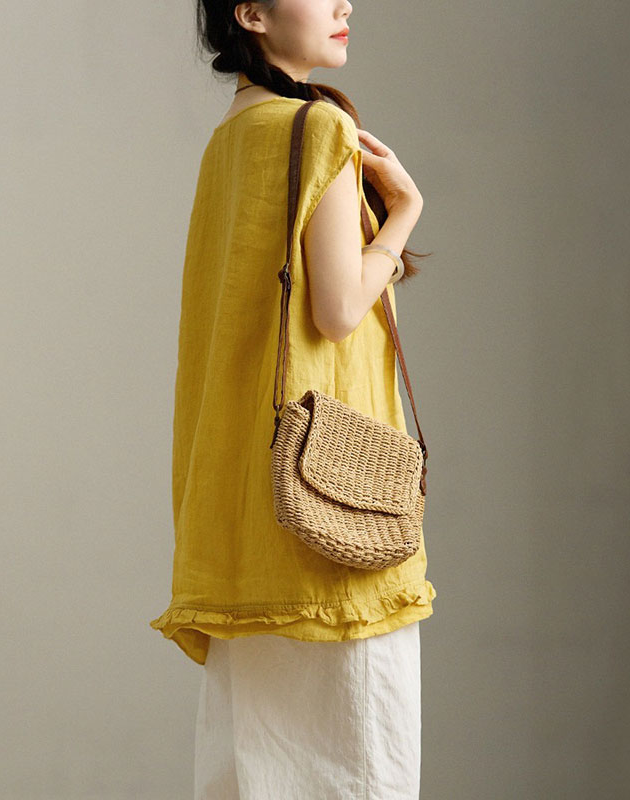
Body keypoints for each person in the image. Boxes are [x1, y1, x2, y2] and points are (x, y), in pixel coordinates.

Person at [149, 2, 437, 797]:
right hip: (331, 508)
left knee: (255, 768)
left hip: (245, 513)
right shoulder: (318, 130)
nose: (345, 5)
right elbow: (338, 311)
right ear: (252, 12)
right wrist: (402, 218)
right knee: (356, 767)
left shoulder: (231, 138)